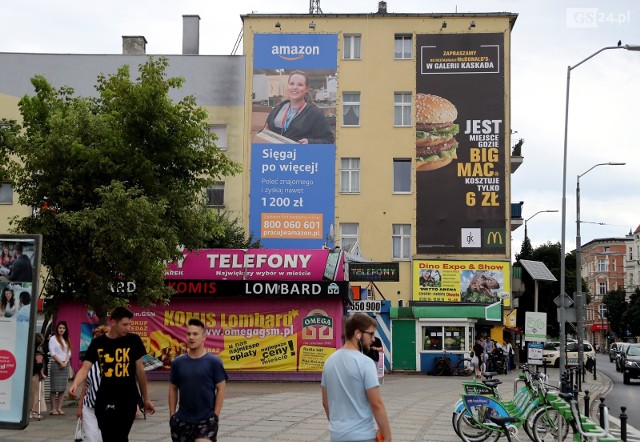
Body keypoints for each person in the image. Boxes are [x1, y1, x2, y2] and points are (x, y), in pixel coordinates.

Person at [69, 306, 155, 441]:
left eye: (130, 324)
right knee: (108, 437)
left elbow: (140, 371)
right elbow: (85, 368)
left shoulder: (134, 340)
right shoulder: (98, 343)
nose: (128, 328)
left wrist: (146, 398)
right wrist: (75, 384)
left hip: (128, 399)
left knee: (121, 436)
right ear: (113, 322)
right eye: (125, 324)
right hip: (105, 398)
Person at [321, 313, 392, 442]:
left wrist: (338, 427)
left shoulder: (329, 362)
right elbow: (376, 404)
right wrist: (387, 437)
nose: (372, 339)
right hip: (362, 436)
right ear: (357, 333)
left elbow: (325, 402)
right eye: (370, 334)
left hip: (337, 435)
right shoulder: (365, 363)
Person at [168, 318, 228, 442]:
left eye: (195, 334)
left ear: (204, 337)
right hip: (182, 420)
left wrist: (215, 416)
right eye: (188, 334)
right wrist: (172, 415)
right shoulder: (178, 362)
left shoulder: (214, 362)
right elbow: (173, 388)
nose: (191, 337)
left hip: (206, 420)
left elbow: (221, 388)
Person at [263, 70, 334, 144]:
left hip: (299, 154)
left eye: (300, 85)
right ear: (288, 86)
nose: (295, 87)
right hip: (278, 154)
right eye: (291, 84)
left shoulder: (315, 113)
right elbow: (266, 130)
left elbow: (329, 140)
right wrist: (265, 133)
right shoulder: (278, 109)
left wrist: (309, 142)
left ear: (306, 89)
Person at [76, 325, 110, 442]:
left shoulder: (113, 360)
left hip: (108, 408)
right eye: (94, 340)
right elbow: (85, 385)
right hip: (89, 406)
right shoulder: (88, 362)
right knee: (91, 438)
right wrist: (80, 406)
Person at [48, 320, 72, 415]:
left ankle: (59, 408)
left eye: (63, 328)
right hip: (56, 364)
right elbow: (52, 353)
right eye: (60, 328)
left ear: (65, 330)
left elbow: (69, 353)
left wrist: (65, 362)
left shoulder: (67, 340)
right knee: (54, 388)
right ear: (57, 329)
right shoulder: (53, 339)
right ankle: (53, 409)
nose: (61, 330)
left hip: (65, 364)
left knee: (62, 388)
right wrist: (60, 363)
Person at [30, 333, 48, 419]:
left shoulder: (31, 349)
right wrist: (42, 374)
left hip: (32, 374)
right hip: (37, 375)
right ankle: (34, 411)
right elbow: (39, 364)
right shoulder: (39, 351)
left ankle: (33, 411)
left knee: (34, 393)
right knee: (38, 393)